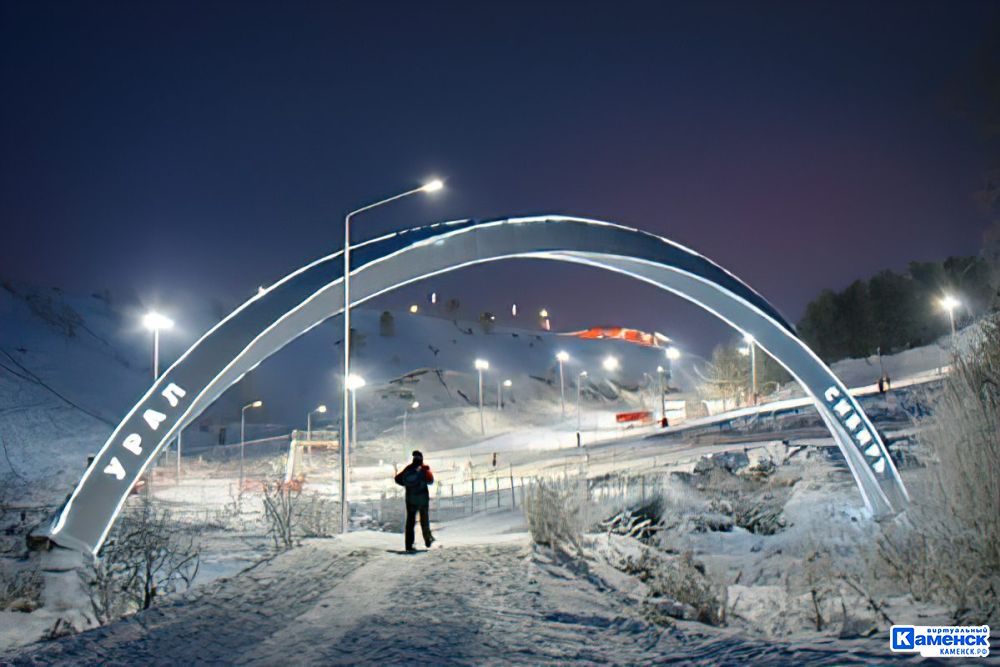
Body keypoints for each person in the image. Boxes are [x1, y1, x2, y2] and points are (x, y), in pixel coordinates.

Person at [393, 450, 435, 552]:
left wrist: (407, 484)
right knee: (424, 520)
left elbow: (397, 479)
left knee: (410, 522)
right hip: (423, 499)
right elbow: (430, 481)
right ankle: (427, 539)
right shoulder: (424, 469)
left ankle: (409, 545)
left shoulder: (408, 469)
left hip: (410, 499)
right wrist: (426, 472)